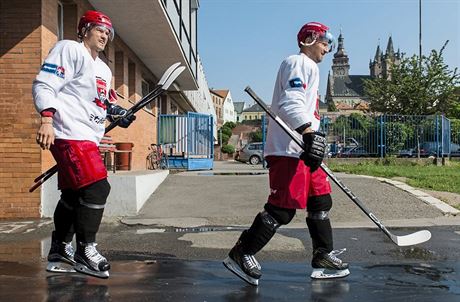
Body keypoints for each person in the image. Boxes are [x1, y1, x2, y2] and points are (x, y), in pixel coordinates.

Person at [223, 21, 349, 286]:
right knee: (283, 209)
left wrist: (312, 137)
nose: (328, 48)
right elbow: (290, 102)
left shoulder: (311, 67)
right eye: (325, 41)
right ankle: (242, 252)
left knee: (321, 201)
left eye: (331, 43)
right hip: (290, 149)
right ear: (309, 39)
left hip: (305, 148)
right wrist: (308, 133)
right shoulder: (298, 62)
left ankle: (322, 255)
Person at [33, 10, 135, 279]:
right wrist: (46, 120)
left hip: (88, 136)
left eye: (108, 32)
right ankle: (85, 250)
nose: (105, 35)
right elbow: (45, 84)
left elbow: (99, 102)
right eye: (99, 29)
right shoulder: (69, 49)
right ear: (84, 30)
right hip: (69, 133)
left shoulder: (103, 67)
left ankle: (59, 249)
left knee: (72, 195)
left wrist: (116, 112)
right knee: (97, 188)